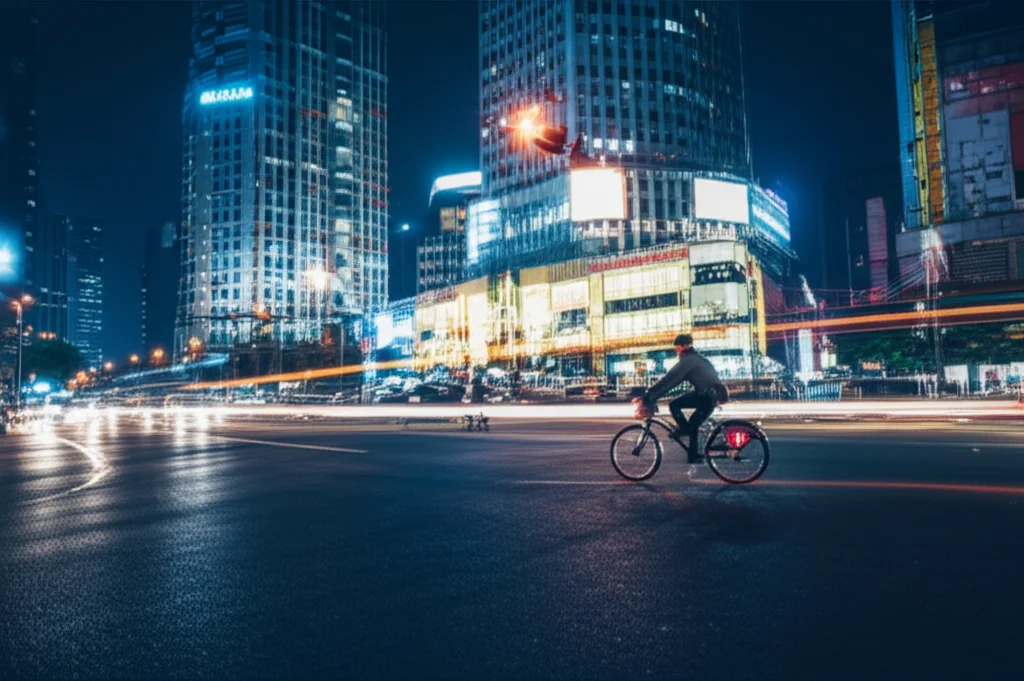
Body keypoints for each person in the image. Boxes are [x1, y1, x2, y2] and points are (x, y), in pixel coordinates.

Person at [636, 333, 728, 463]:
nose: (676, 349)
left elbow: (670, 381)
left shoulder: (689, 361)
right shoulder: (694, 358)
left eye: (678, 346)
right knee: (693, 424)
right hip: (709, 394)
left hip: (707, 396)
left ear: (685, 346)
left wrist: (649, 397)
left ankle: (686, 435)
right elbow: (672, 381)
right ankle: (693, 454)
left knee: (675, 406)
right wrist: (651, 395)